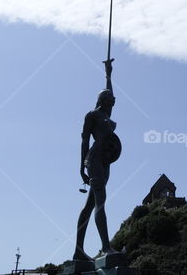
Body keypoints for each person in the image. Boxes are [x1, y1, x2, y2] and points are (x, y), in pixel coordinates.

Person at [73, 56, 121, 260]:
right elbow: (84, 141)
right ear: (103, 101)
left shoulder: (107, 114)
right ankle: (106, 247)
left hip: (105, 160)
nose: (114, 101)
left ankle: (78, 252)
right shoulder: (92, 115)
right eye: (109, 99)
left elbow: (109, 90)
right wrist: (81, 166)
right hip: (93, 159)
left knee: (89, 207)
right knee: (101, 200)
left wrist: (109, 74)